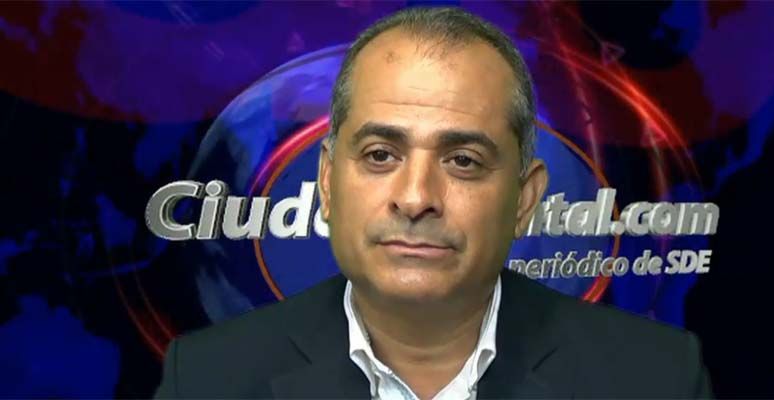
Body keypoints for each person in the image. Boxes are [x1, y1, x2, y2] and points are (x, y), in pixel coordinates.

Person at [155, 6, 712, 399]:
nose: (416, 198)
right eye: (380, 155)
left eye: (463, 161)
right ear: (327, 181)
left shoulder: (656, 379)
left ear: (524, 199)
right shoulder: (207, 380)